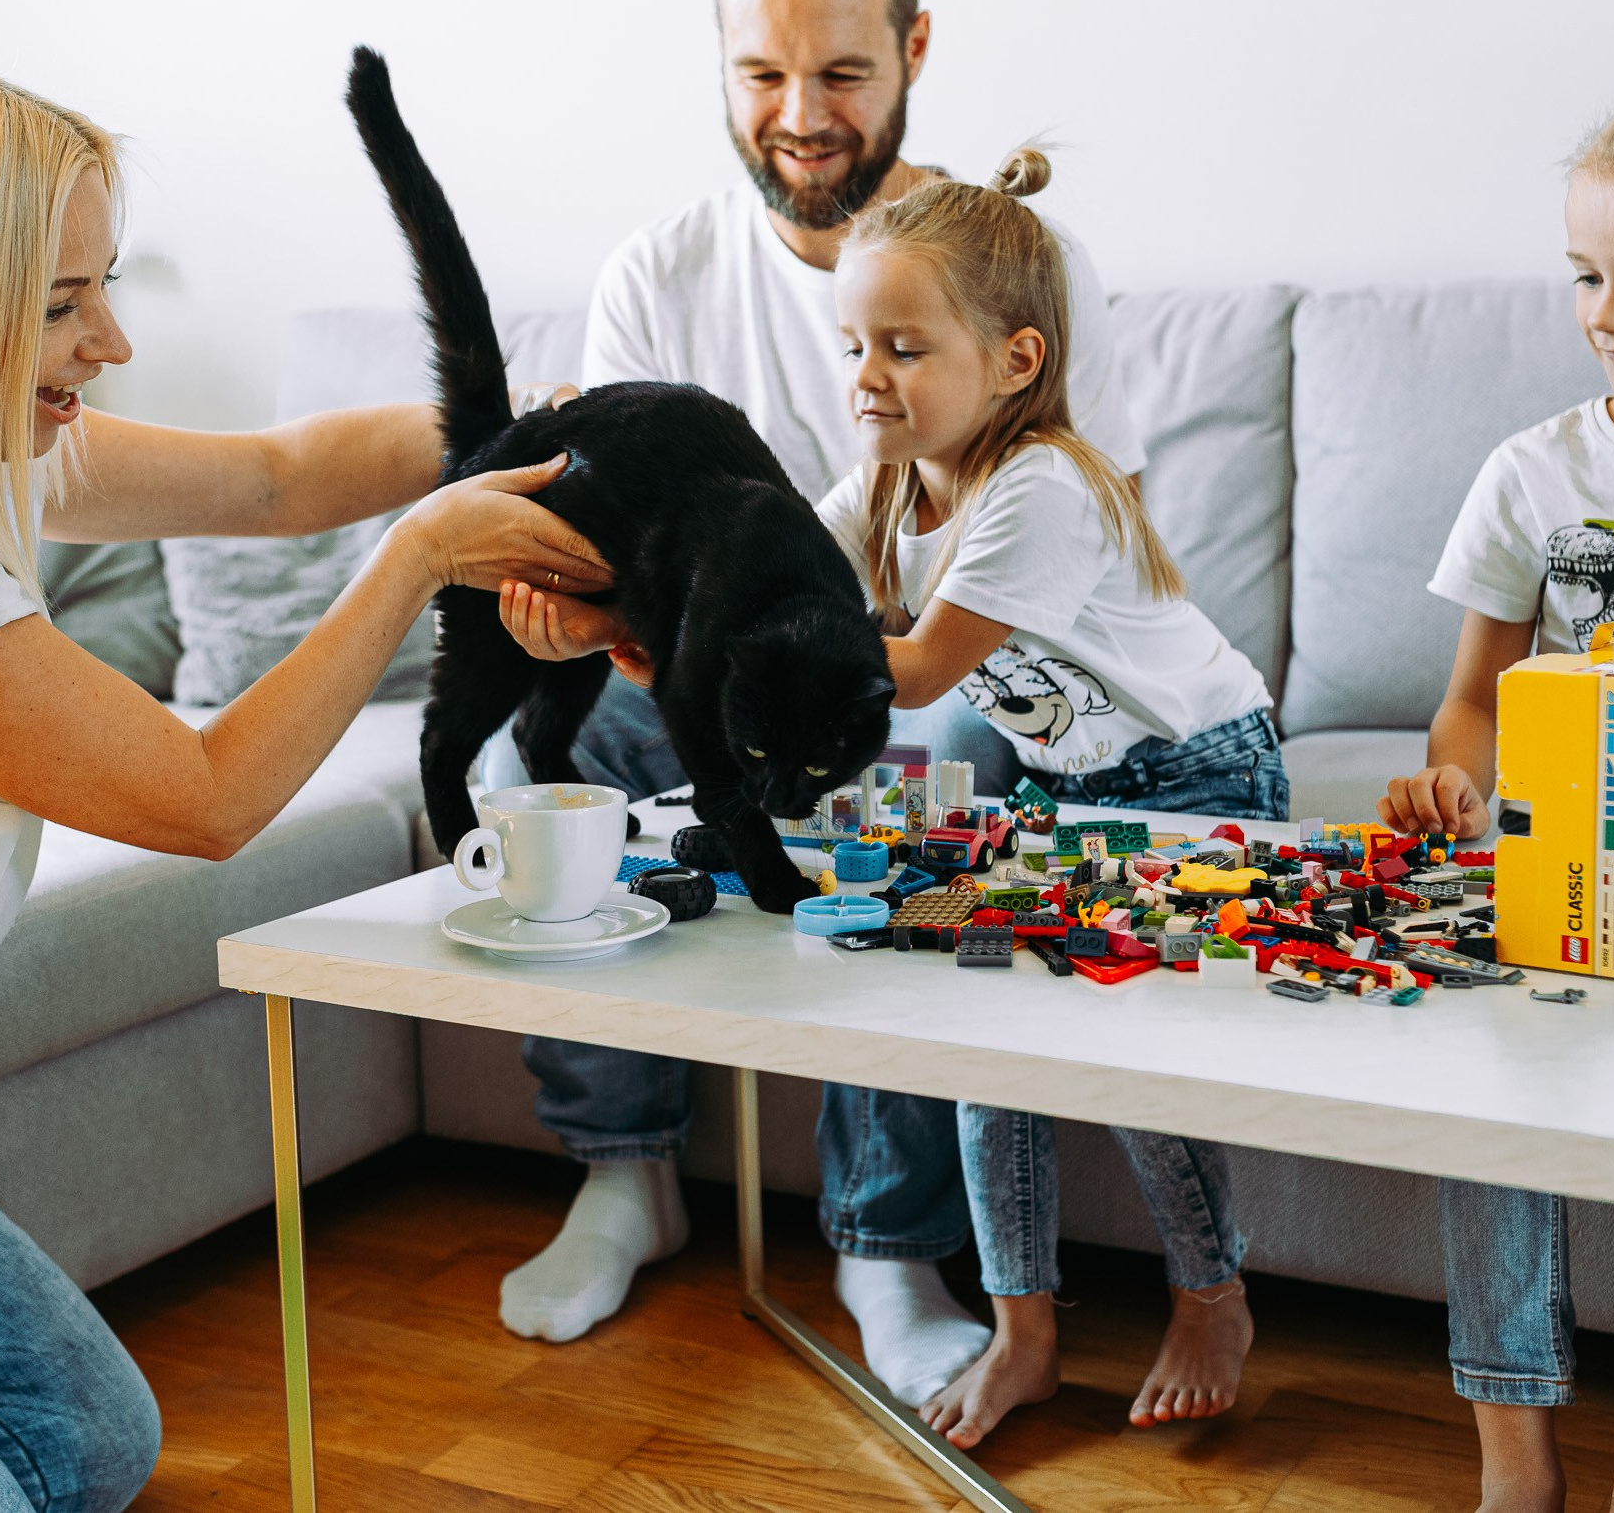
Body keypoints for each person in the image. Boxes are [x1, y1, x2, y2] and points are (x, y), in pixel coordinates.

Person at [0, 53, 611, 1509]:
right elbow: (205, 796)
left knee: (86, 1448)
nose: (107, 339)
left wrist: (554, 434)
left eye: (102, 285)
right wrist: (420, 552)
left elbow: (277, 480)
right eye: (58, 303)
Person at [492, 0, 1152, 1410]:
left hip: (923, 681)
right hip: (690, 681)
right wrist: (577, 617)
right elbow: (610, 538)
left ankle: (883, 1245)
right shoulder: (656, 276)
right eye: (762, 73)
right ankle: (620, 1174)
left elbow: (1048, 559)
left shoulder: (1016, 275)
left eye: (843, 72)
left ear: (914, 47)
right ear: (718, 64)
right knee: (564, 743)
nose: (800, 112)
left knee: (942, 765)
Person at [503, 147, 1283, 1442]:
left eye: (903, 350)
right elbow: (750, 589)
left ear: (1016, 362)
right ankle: (1024, 1329)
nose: (865, 380)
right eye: (853, 346)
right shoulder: (875, 485)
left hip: (1199, 772)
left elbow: (913, 675)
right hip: (1060, 781)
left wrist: (710, 639)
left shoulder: (1048, 486)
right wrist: (609, 631)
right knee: (974, 1040)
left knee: (1139, 1059)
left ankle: (1210, 1295)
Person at [1379, 107, 1614, 1513]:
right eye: (1586, 274)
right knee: (1491, 1090)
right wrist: (1461, 778)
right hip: (1556, 867)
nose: (1610, 312)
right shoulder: (1534, 474)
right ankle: (1514, 1468)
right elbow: (1471, 696)